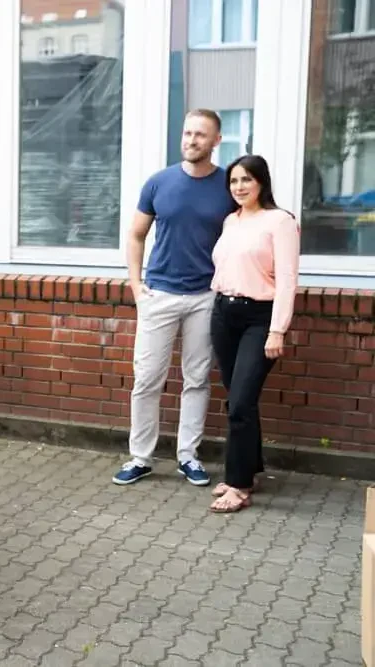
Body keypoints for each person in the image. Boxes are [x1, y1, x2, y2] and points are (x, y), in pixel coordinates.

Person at [114, 109, 238, 487]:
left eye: (201, 135)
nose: (191, 141)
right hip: (160, 294)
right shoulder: (159, 183)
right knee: (147, 379)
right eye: (187, 133)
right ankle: (141, 457)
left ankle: (188, 455)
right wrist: (136, 287)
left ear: (217, 140)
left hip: (205, 297)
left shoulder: (227, 187)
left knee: (197, 379)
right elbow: (136, 235)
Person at [207, 155, 300, 513]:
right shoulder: (231, 221)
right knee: (239, 400)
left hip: (259, 319)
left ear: (261, 181)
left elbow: (288, 280)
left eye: (246, 179)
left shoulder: (280, 222)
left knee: (241, 404)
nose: (239, 187)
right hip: (224, 314)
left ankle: (239, 484)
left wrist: (277, 330)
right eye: (233, 181)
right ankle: (249, 468)